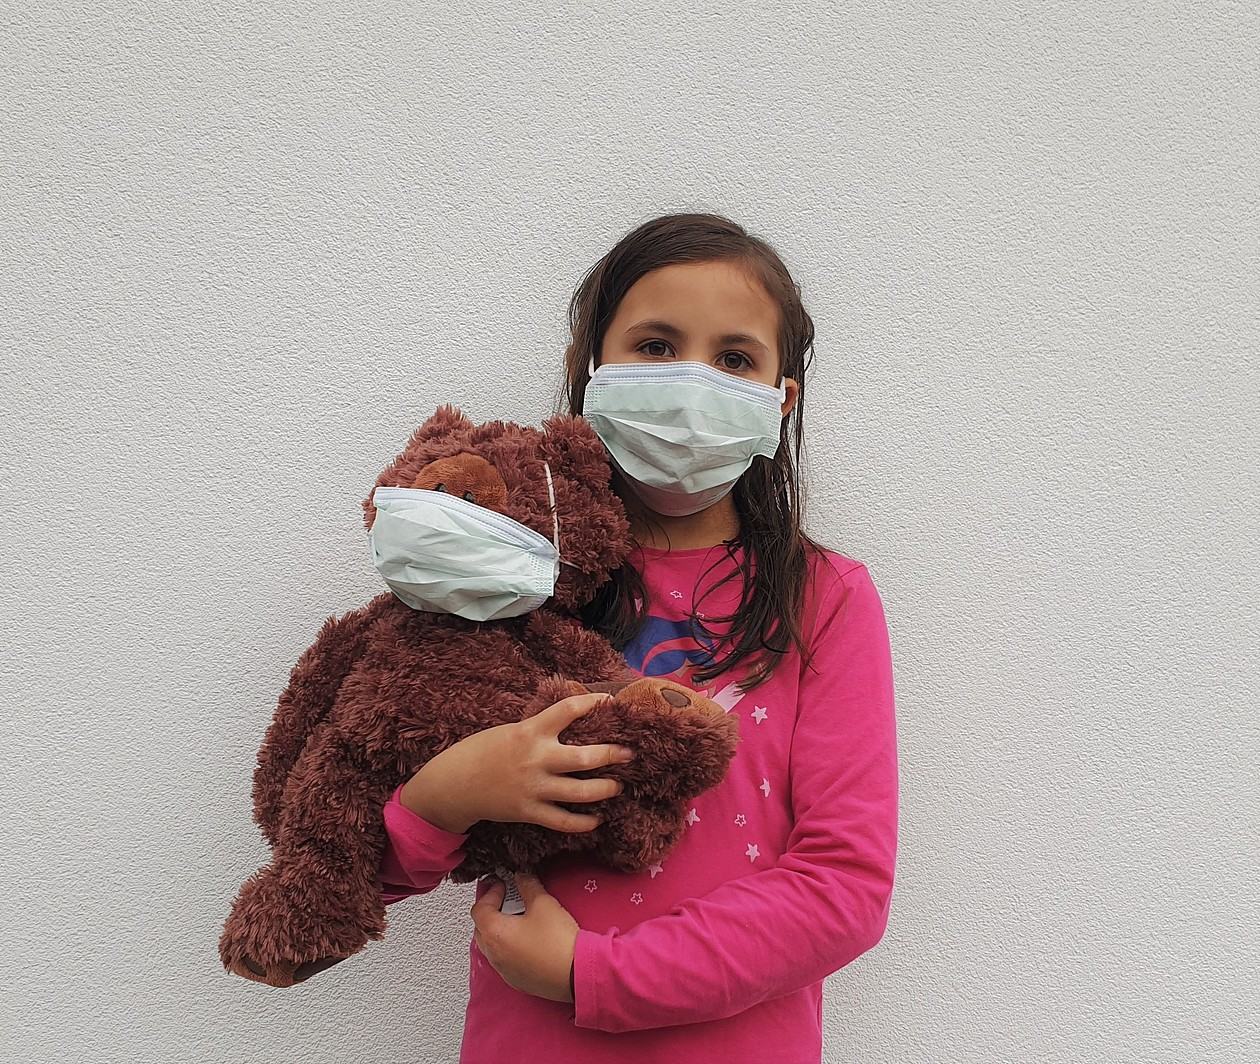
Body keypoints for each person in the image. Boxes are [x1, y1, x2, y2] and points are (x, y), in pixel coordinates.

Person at [376, 212, 899, 1062]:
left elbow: (845, 889)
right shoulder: (508, 581)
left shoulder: (825, 600)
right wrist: (450, 792)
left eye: (734, 359)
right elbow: (360, 865)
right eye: (655, 346)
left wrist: (594, 974)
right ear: (594, 370)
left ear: (779, 398)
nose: (691, 384)